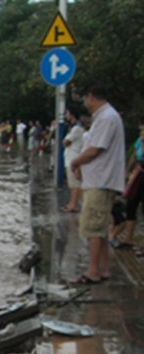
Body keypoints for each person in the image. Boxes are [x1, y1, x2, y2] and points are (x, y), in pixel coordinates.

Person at [68, 82, 126, 284]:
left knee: (92, 227)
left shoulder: (107, 117)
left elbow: (94, 150)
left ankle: (93, 271)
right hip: (98, 180)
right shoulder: (104, 117)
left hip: (101, 182)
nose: (85, 102)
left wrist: (75, 162)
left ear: (91, 97)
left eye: (85, 98)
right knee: (99, 228)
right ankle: (103, 268)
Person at [116, 119, 144, 252]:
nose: (141, 132)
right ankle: (128, 238)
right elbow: (134, 155)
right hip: (138, 176)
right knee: (131, 206)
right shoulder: (140, 141)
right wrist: (127, 170)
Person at [61, 106, 86, 213]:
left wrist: (65, 140)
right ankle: (72, 203)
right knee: (72, 184)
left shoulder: (76, 128)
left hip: (73, 158)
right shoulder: (74, 127)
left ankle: (74, 205)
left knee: (75, 184)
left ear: (72, 115)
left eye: (67, 113)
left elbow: (65, 142)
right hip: (70, 158)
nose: (66, 115)